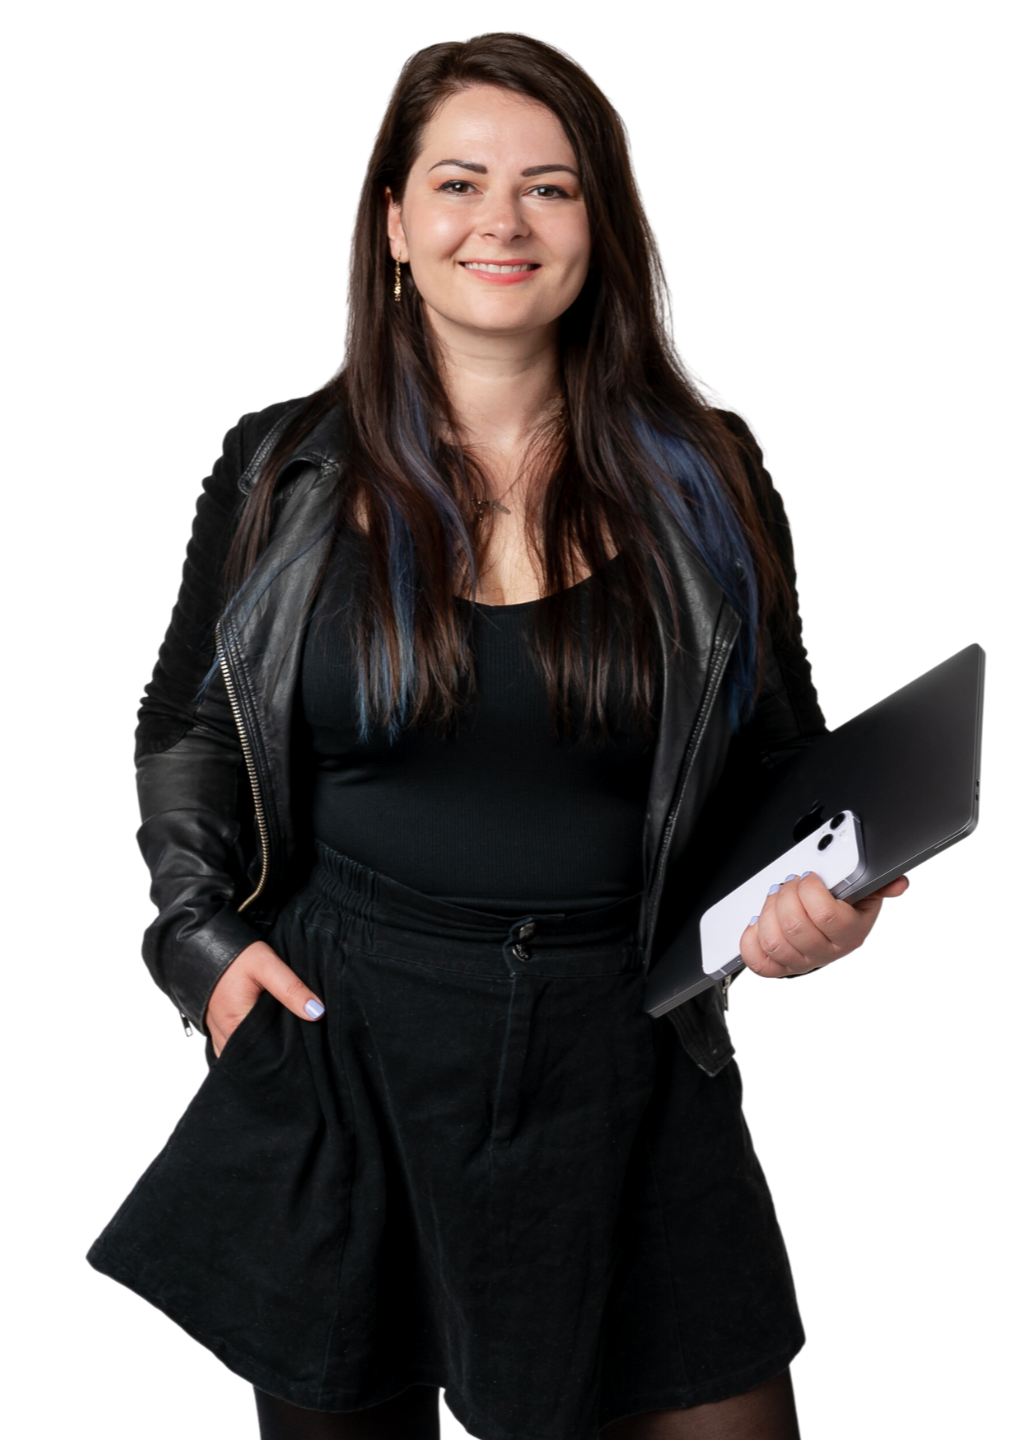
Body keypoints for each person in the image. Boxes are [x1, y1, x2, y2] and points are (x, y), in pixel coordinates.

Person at [85, 32, 909, 1440]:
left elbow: (785, 768)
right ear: (395, 226)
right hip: (348, 1044)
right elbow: (185, 728)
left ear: (602, 225)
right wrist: (200, 949)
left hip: (632, 1051)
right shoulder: (279, 466)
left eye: (551, 187)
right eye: (460, 183)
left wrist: (823, 900)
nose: (503, 223)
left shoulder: (711, 474)